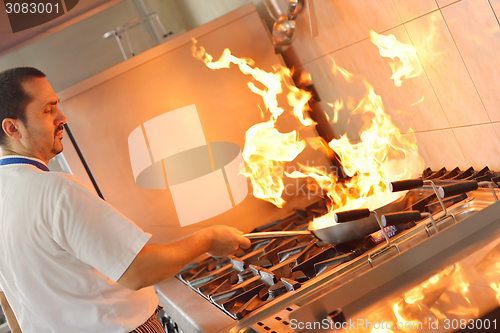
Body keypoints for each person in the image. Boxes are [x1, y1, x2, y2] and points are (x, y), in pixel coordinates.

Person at [0, 67, 251, 333]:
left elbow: (9, 300)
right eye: (47, 110)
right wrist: (208, 239)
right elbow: (138, 270)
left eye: (57, 106)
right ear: (13, 128)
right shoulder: (56, 191)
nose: (62, 117)